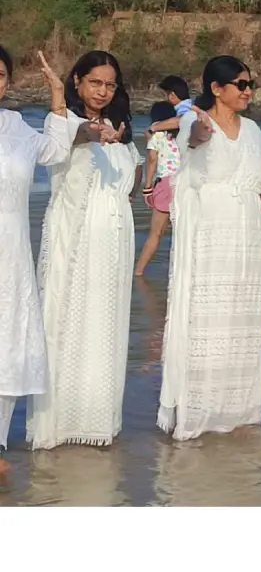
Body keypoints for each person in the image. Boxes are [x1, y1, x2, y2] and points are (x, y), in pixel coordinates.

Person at [27, 50, 141, 450]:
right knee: (70, 322)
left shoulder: (119, 129)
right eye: (95, 82)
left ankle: (97, 419)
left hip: (115, 236)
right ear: (77, 81)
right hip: (77, 235)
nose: (103, 91)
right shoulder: (63, 122)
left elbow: (129, 179)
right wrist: (93, 132)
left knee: (106, 325)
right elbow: (74, 137)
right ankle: (58, 425)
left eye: (110, 84)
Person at [157, 55, 261, 441]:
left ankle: (238, 411)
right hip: (211, 234)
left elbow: (259, 179)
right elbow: (191, 148)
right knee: (208, 318)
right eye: (241, 84)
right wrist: (200, 136)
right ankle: (198, 410)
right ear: (217, 88)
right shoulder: (195, 120)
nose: (248, 91)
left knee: (243, 319)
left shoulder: (253, 129)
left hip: (249, 236)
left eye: (250, 84)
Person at [0, 48, 72, 474]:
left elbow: (57, 151)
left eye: (0, 74)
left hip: (9, 258)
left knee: (7, 342)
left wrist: (58, 95)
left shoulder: (17, 128)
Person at [135, 101, 180, 276]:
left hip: (166, 183)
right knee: (183, 232)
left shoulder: (156, 137)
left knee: (156, 233)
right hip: (184, 184)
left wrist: (147, 188)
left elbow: (152, 161)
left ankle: (139, 271)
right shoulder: (183, 134)